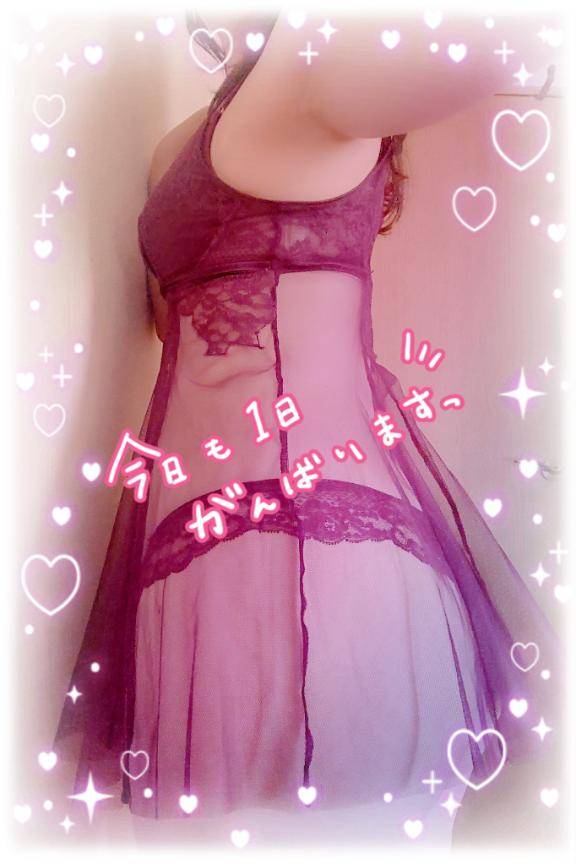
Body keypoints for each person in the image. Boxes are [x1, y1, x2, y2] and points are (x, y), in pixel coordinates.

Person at [52, 6, 563, 848]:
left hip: (317, 562)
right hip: (201, 561)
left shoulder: (317, 65)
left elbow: (496, 39)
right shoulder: (190, 134)